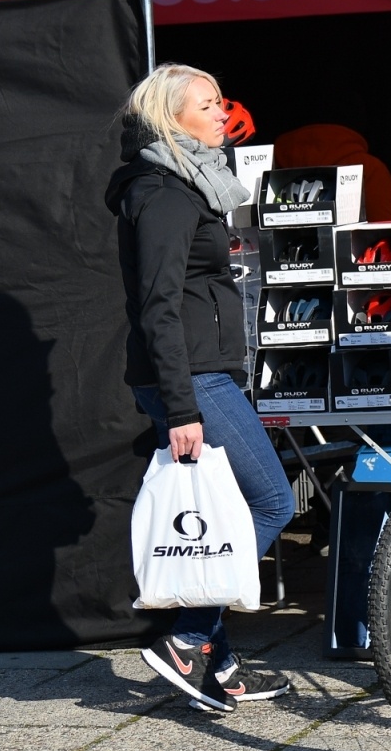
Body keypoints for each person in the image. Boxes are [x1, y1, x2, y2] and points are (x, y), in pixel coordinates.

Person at [105, 64, 297, 714]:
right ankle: (188, 642)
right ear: (170, 119)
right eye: (210, 104)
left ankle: (220, 662)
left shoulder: (193, 184)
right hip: (192, 378)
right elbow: (157, 304)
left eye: (222, 101)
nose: (224, 113)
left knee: (220, 514)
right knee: (269, 504)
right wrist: (183, 403)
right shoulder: (162, 193)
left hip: (201, 373)